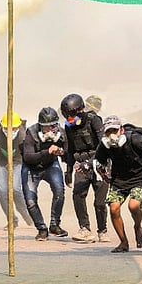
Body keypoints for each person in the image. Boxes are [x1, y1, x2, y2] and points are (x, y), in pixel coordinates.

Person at [95, 116, 142, 253]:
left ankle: (138, 228)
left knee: (134, 206)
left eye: (115, 130)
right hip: (119, 180)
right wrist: (103, 173)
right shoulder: (104, 145)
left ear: (121, 130)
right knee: (114, 208)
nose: (112, 135)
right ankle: (123, 242)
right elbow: (99, 161)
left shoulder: (135, 139)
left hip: (138, 177)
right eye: (109, 132)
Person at [61, 93, 109, 243]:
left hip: (99, 165)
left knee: (100, 202)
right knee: (78, 196)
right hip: (80, 165)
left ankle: (102, 230)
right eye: (66, 115)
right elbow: (69, 149)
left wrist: (91, 163)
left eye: (71, 115)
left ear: (80, 110)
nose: (69, 119)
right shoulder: (69, 127)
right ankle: (85, 229)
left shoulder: (94, 120)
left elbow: (104, 145)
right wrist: (68, 171)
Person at [21, 107, 68, 241]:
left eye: (53, 126)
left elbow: (67, 153)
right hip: (31, 168)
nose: (50, 130)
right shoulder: (31, 133)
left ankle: (55, 224)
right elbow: (28, 157)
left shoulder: (62, 134)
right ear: (40, 126)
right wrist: (46, 152)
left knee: (59, 191)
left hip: (51, 165)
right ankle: (41, 228)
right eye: (46, 127)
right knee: (30, 200)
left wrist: (61, 152)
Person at [0, 111, 32, 229]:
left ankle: (26, 214)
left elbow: (28, 154)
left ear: (19, 127)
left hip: (17, 162)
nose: (11, 131)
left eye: (14, 128)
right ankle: (12, 220)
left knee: (15, 189)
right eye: (8, 128)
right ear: (3, 127)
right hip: (0, 162)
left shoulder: (23, 136)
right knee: (2, 191)